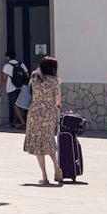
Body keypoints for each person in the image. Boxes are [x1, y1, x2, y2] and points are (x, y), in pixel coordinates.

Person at [23, 56, 63, 185]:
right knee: (49, 139)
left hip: (35, 112)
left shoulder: (35, 78)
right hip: (49, 113)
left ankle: (44, 176)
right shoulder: (54, 81)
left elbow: (35, 74)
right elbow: (58, 100)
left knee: (37, 143)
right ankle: (56, 167)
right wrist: (57, 106)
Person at [0, 51, 29, 128]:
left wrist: (0, 88)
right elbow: (27, 75)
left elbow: (4, 79)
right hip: (21, 87)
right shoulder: (21, 64)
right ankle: (14, 122)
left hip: (11, 88)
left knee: (14, 105)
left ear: (8, 57)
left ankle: (22, 122)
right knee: (18, 105)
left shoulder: (6, 66)